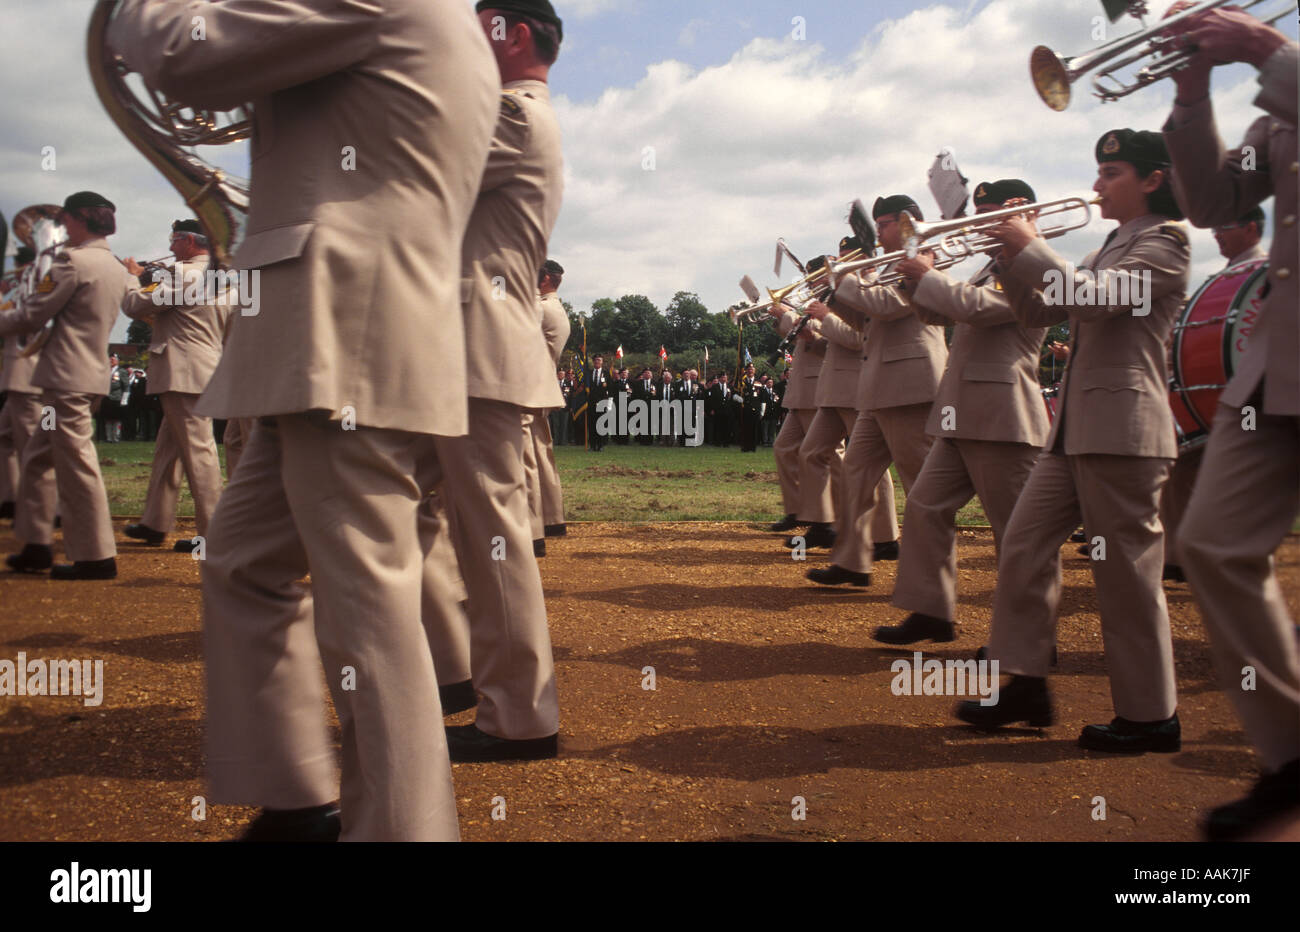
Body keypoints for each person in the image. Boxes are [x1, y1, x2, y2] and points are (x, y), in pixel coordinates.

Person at [110, 0, 500, 840]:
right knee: (244, 561)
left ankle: (401, 830)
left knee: (364, 601)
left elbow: (185, 52)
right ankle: (295, 798)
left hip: (341, 325)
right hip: (325, 327)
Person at [955, 129, 1190, 755]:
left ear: (1152, 180)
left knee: (1125, 575)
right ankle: (1026, 681)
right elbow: (1039, 315)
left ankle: (1151, 715)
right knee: (1023, 545)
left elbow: (1094, 301)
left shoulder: (1166, 243)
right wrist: (1009, 259)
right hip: (1075, 431)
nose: (1095, 185)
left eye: (1109, 173)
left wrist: (1030, 244)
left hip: (1125, 432)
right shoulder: (1111, 244)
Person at [1161, 7, 1298, 839]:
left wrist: (1264, 49)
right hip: (1281, 356)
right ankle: (1289, 757)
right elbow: (1213, 197)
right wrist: (1191, 88)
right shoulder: (1279, 113)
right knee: (1210, 543)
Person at [436, 0, 566, 764]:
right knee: (416, 520)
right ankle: (460, 675)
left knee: (491, 538)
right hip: (455, 352)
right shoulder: (510, 112)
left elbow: (413, 176)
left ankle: (520, 717)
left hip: (475, 353)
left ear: (512, 34)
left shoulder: (511, 115)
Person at [872, 180, 1049, 643]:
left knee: (1013, 533)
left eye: (990, 214)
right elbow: (939, 315)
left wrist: (928, 276)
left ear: (1020, 213)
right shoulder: (992, 265)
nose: (980, 225)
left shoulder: (1034, 265)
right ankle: (932, 611)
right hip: (962, 409)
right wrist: (915, 281)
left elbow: (978, 308)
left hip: (1003, 413)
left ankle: (1028, 645)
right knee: (927, 506)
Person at [0, 191, 130, 580]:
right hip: (83, 376)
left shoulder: (71, 261)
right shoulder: (115, 265)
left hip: (65, 379)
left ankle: (96, 556)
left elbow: (33, 315)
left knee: (76, 463)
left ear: (78, 221)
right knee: (38, 458)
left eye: (66, 221)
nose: (63, 229)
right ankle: (37, 544)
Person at [120, 219, 230, 553]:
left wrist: (131, 275)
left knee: (199, 454)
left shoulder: (181, 274)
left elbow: (134, 306)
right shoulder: (225, 278)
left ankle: (215, 533)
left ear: (190, 242)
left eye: (174, 240)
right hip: (202, 368)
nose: (170, 248)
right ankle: (155, 521)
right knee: (168, 451)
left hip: (181, 370)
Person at [768, 299, 828, 532]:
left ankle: (828, 516)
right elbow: (794, 333)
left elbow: (817, 331)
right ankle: (797, 509)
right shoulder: (814, 307)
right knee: (783, 448)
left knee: (824, 456)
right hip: (801, 390)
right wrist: (778, 317)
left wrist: (788, 313)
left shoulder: (836, 304)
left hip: (817, 389)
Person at [523, 258, 570, 550]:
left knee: (526, 459)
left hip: (526, 389)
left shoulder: (539, 308)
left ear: (544, 280)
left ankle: (533, 529)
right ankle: (552, 519)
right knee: (541, 455)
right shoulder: (555, 307)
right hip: (540, 388)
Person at [0, 247, 42, 522]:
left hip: (28, 372)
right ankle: (11, 498)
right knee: (4, 436)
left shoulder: (37, 281)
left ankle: (45, 509)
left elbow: (23, 318)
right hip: (21, 372)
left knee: (32, 443)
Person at [588, 353, 609, 451]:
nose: (597, 362)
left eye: (599, 360)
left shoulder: (606, 373)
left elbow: (610, 388)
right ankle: (592, 445)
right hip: (591, 402)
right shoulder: (588, 373)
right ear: (593, 362)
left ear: (602, 362)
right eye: (595, 360)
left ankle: (601, 445)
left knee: (601, 424)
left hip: (602, 402)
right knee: (592, 424)